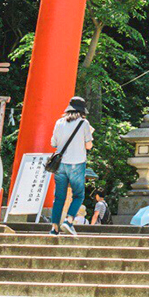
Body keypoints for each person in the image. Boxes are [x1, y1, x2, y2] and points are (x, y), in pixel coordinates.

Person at [50, 96, 93, 236]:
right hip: (77, 163)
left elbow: (54, 144)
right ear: (82, 111)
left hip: (60, 164)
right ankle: (68, 221)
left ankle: (54, 228)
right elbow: (89, 145)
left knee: (59, 197)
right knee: (78, 195)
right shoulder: (84, 123)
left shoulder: (59, 122)